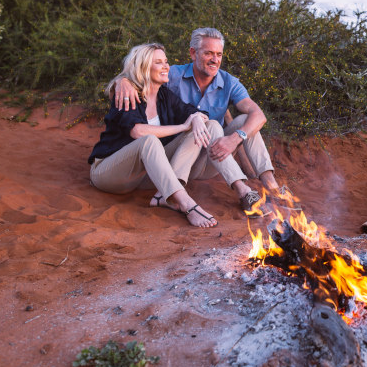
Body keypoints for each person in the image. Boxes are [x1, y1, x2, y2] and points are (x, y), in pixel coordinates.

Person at [114, 28, 282, 212]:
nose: (215, 59)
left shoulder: (229, 82)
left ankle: (272, 187)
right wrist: (122, 81)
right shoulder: (173, 76)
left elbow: (259, 115)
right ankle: (241, 191)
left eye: (219, 54)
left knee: (244, 120)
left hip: (213, 159)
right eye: (208, 53)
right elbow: (143, 74)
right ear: (193, 53)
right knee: (212, 125)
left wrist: (234, 139)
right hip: (173, 159)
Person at [89, 43, 224, 228]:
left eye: (166, 62)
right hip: (109, 174)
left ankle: (166, 194)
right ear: (144, 67)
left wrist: (197, 118)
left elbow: (189, 110)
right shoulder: (127, 95)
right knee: (149, 141)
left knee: (198, 127)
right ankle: (186, 204)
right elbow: (138, 131)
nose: (166, 66)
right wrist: (182, 126)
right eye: (158, 62)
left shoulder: (163, 95)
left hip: (141, 178)